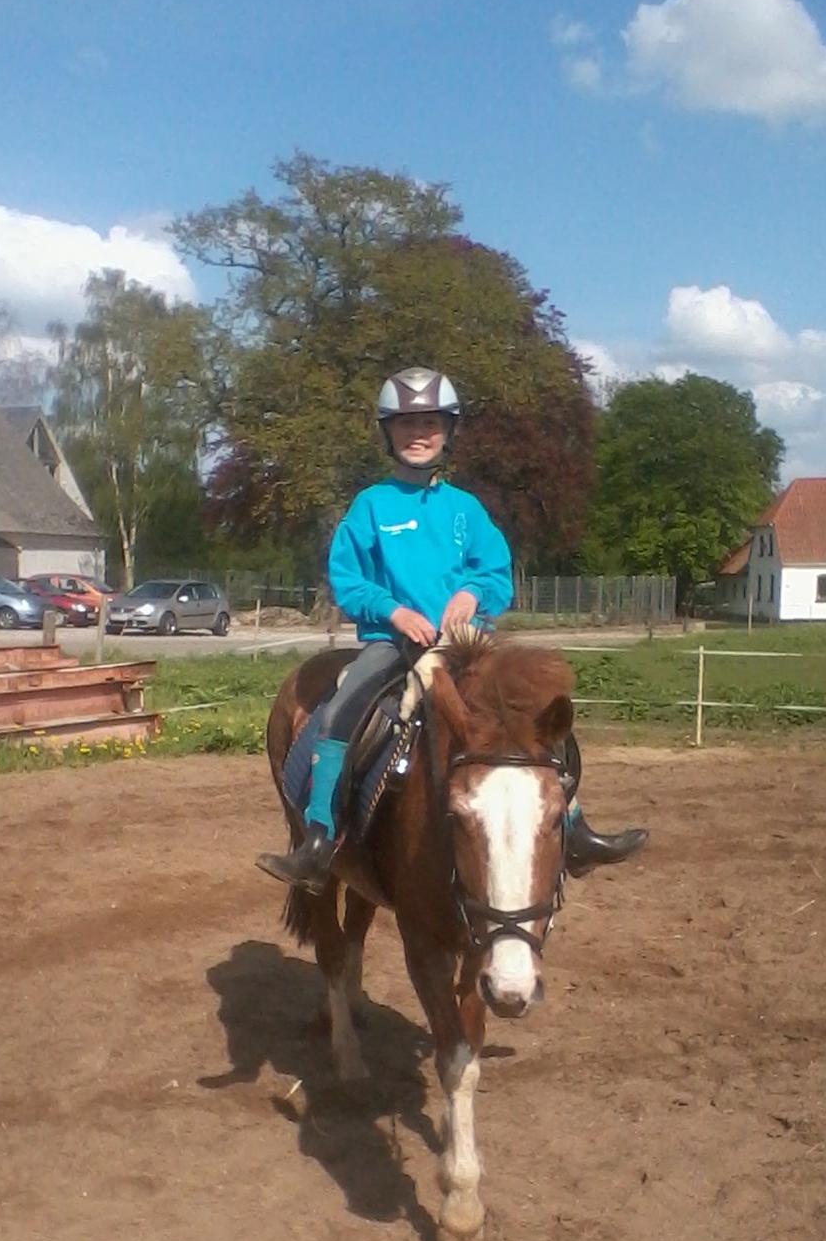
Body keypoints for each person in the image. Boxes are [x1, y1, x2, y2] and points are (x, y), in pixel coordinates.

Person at [257, 366, 648, 895]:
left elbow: (494, 572)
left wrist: (471, 596)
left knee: (536, 716)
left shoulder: (466, 509)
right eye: (406, 423)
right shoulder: (371, 505)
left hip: (466, 646)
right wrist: (393, 611)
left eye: (431, 423)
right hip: (394, 644)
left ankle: (575, 829)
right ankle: (320, 838)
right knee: (341, 710)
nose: (419, 433)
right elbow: (347, 578)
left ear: (448, 430)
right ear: (387, 432)